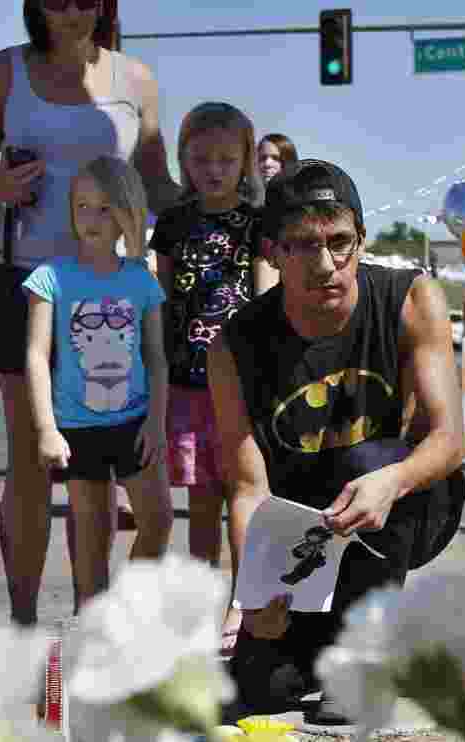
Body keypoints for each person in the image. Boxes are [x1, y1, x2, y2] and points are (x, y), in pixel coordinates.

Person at [208, 159, 465, 721]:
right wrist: (249, 597)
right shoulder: (234, 346)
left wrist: (392, 481)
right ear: (273, 252)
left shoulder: (409, 299)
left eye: (340, 242)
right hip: (305, 533)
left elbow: (450, 441)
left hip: (401, 502)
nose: (326, 264)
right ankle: (323, 644)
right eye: (302, 245)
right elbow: (247, 487)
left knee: (371, 457)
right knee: (257, 689)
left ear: (361, 240)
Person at [0, 0, 180, 626]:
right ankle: (25, 622)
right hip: (29, 280)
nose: (72, 10)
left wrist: (218, 207)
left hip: (112, 289)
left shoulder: (136, 80)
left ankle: (95, 618)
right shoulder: (5, 71)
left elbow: (156, 184)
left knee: (100, 461)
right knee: (29, 460)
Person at [149, 101, 278, 654]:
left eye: (226, 158)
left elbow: (268, 295)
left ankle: (238, 608)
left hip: (241, 381)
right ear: (183, 160)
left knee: (242, 497)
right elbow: (161, 298)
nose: (214, 169)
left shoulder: (257, 222)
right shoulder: (174, 223)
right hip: (186, 379)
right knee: (200, 505)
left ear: (246, 160)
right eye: (201, 158)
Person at [23, 155, 171, 609]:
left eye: (105, 208)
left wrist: (156, 423)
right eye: (83, 206)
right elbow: (35, 355)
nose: (92, 218)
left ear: (127, 212)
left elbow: (156, 359)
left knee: (159, 521)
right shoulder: (52, 278)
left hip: (134, 424)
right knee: (90, 534)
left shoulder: (140, 280)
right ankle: (90, 631)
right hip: (76, 430)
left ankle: (125, 610)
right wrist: (47, 428)